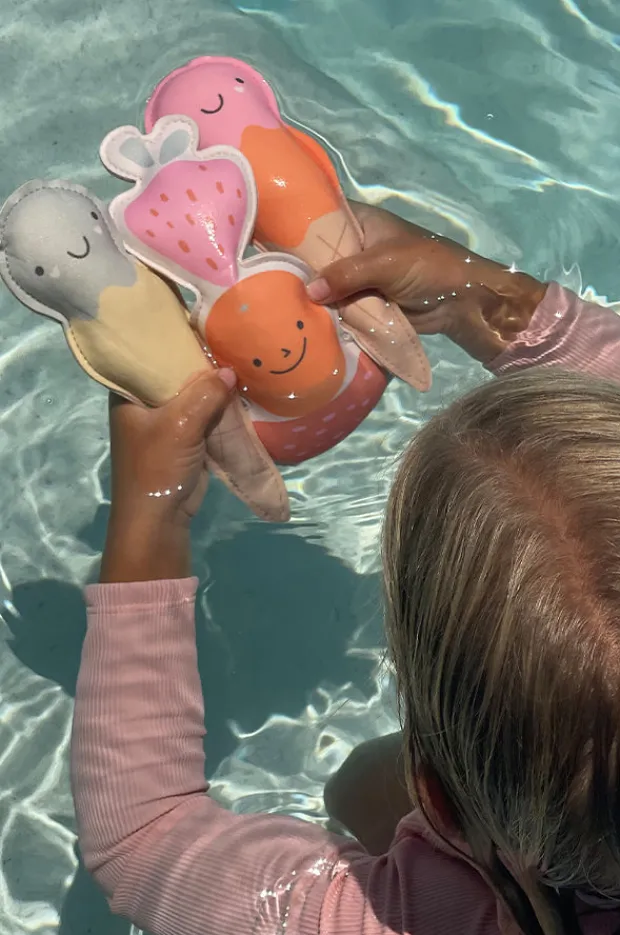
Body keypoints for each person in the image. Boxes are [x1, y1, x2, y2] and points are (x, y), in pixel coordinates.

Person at [71, 201, 620, 935]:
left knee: (360, 785)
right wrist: (487, 298)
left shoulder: (406, 917)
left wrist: (151, 508)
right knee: (366, 782)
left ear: (439, 797)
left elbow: (143, 838)